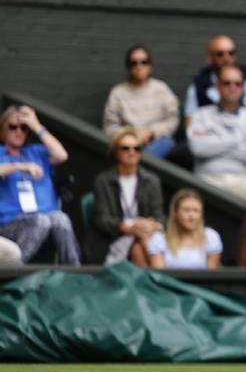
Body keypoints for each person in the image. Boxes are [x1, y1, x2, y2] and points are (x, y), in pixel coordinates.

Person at [0, 105, 79, 265]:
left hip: (46, 220)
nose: (19, 131)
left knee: (60, 218)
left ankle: (74, 276)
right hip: (10, 224)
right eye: (13, 127)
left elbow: (62, 155)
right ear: (3, 129)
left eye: (24, 127)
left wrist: (36, 125)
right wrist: (20, 166)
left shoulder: (36, 152)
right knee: (40, 220)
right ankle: (11, 272)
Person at [88, 126, 164, 266]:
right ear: (116, 152)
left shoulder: (151, 180)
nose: (131, 152)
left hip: (146, 236)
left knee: (140, 245)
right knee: (138, 247)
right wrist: (126, 227)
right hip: (113, 238)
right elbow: (101, 219)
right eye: (125, 148)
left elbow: (159, 216)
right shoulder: (103, 180)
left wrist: (151, 225)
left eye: (136, 148)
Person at [187, 64, 246, 201]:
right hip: (207, 179)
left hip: (244, 181)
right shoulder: (200, 115)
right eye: (227, 83)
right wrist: (238, 140)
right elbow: (198, 148)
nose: (232, 87)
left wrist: (213, 139)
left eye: (237, 84)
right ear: (217, 86)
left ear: (243, 87)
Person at [102, 45, 179, 159]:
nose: (139, 66)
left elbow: (173, 119)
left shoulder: (161, 89)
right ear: (128, 67)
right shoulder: (118, 93)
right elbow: (109, 128)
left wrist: (151, 131)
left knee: (168, 142)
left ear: (150, 66)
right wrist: (132, 134)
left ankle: (138, 164)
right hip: (128, 144)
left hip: (156, 141)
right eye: (134, 63)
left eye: (144, 62)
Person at [183, 35, 246, 123]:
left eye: (231, 53)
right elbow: (190, 121)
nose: (226, 58)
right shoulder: (199, 83)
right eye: (220, 54)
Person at [146, 189, 222, 270]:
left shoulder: (210, 237)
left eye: (196, 211)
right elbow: (159, 277)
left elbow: (211, 276)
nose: (191, 216)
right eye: (186, 210)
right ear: (176, 212)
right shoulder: (159, 239)